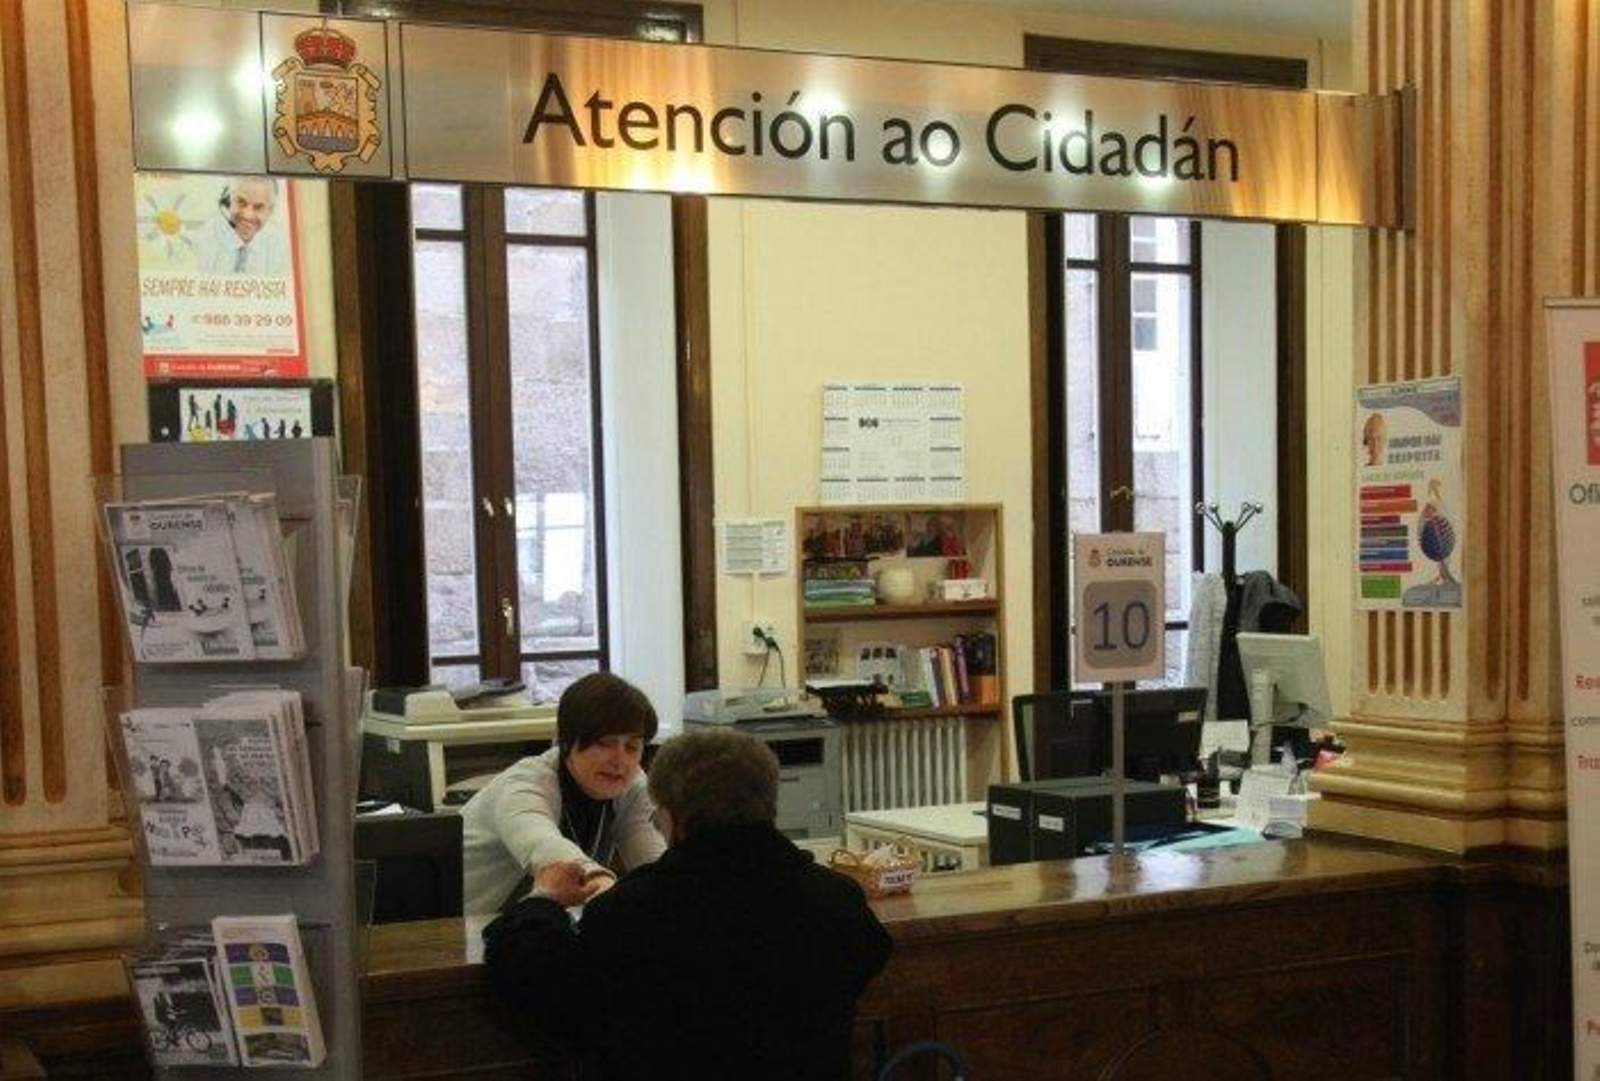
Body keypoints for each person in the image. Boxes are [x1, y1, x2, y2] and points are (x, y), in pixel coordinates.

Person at [483, 728, 892, 1081]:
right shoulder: (835, 900)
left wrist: (541, 902)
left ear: (673, 818)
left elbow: (538, 983)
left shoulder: (632, 914)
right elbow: (871, 953)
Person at [460, 672, 665, 915]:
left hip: (528, 930)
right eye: (604, 743)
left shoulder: (632, 784)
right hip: (452, 928)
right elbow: (547, 851)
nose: (620, 760)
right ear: (567, 742)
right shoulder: (523, 785)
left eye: (632, 747)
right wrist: (606, 889)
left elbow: (655, 870)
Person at [193, 176, 287, 275]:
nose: (247, 215)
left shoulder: (282, 249)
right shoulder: (203, 238)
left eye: (258, 207)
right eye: (241, 202)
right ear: (228, 201)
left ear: (271, 210)